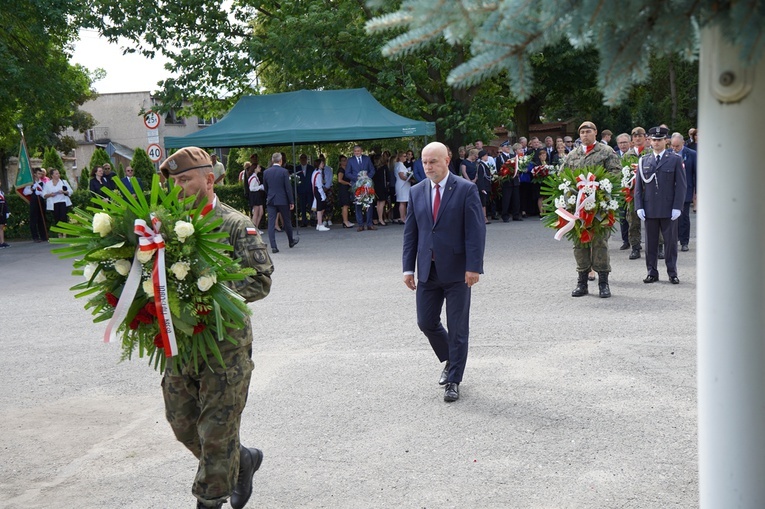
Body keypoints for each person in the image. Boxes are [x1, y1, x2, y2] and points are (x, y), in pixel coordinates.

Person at [158, 146, 274, 509]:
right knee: (182, 423)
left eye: (185, 179)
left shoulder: (236, 224)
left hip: (225, 346)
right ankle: (243, 460)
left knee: (215, 433)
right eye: (173, 182)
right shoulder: (165, 226)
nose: (177, 188)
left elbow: (261, 280)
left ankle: (210, 500)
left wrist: (209, 296)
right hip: (181, 344)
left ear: (209, 180)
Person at [402, 142, 486, 403]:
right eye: (425, 162)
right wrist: (408, 268)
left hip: (459, 272)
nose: (428, 167)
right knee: (426, 322)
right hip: (428, 269)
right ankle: (451, 358)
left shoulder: (465, 189)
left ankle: (453, 380)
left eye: (433, 162)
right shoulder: (416, 191)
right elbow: (411, 233)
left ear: (447, 160)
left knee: (458, 327)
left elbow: (476, 231)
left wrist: (474, 266)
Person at [563, 121, 622, 298]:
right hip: (578, 208)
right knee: (579, 244)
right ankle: (582, 282)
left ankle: (603, 282)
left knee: (600, 244)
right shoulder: (573, 155)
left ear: (595, 133)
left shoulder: (606, 152)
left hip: (599, 207)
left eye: (588, 131)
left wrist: (596, 186)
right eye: (582, 132)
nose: (584, 135)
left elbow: (616, 172)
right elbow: (562, 176)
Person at [635, 127, 686, 284]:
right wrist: (639, 206)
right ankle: (652, 272)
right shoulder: (644, 160)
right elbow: (638, 186)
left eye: (659, 140)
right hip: (650, 208)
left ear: (666, 141)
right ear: (650, 141)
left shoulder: (675, 159)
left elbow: (681, 186)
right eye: (654, 140)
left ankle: (672, 272)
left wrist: (677, 207)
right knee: (650, 243)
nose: (656, 142)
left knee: (670, 243)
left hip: (668, 208)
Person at [262, 153, 299, 253]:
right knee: (287, 221)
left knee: (271, 223)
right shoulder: (284, 171)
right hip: (283, 199)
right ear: (281, 160)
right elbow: (288, 188)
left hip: (271, 199)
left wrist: (270, 194)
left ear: (272, 160)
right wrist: (291, 201)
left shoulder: (266, 172)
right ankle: (291, 241)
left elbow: (265, 187)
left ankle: (273, 246)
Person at [670, 132, 697, 251]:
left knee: (684, 216)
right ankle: (673, 239)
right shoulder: (667, 154)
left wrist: (696, 192)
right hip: (670, 190)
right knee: (671, 217)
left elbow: (696, 173)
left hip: (686, 189)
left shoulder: (691, 154)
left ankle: (684, 241)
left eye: (677, 146)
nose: (675, 149)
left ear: (683, 143)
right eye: (673, 146)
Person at [627, 127, 649, 260]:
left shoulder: (651, 153)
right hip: (633, 194)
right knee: (633, 222)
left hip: (650, 193)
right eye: (634, 136)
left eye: (640, 135)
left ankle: (658, 247)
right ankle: (635, 247)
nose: (637, 138)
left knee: (653, 221)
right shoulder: (627, 156)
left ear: (645, 137)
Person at [344, 144, 377, 231]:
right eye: (355, 151)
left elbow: (372, 170)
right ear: (353, 152)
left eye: (358, 151)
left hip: (367, 184)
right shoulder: (350, 160)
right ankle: (360, 225)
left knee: (369, 204)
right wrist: (357, 178)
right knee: (358, 205)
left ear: (361, 151)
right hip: (356, 184)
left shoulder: (367, 159)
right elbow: (347, 173)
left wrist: (367, 177)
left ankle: (369, 224)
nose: (357, 153)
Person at [42, 169, 73, 234]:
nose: (58, 175)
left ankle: (64, 233)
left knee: (63, 218)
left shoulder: (63, 182)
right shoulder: (48, 184)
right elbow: (43, 194)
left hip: (63, 202)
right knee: (57, 219)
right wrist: (50, 194)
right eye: (56, 174)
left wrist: (64, 191)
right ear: (52, 175)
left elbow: (71, 191)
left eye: (58, 173)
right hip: (54, 203)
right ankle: (59, 233)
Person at [23, 168, 48, 242]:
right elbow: (25, 192)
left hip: (41, 201)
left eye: (41, 174)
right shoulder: (31, 183)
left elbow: (45, 192)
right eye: (38, 173)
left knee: (42, 218)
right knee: (34, 219)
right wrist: (32, 189)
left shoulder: (42, 183)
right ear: (34, 174)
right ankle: (35, 237)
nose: (40, 175)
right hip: (34, 202)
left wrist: (41, 193)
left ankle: (43, 236)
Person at [335, 155, 355, 228]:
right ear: (340, 162)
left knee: (347, 205)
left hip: (347, 189)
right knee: (345, 205)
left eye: (346, 160)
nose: (345, 162)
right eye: (343, 160)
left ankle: (346, 220)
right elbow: (340, 180)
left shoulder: (347, 169)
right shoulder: (341, 170)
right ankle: (345, 221)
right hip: (343, 189)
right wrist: (348, 183)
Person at [311, 159, 330, 231]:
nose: (323, 164)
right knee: (319, 207)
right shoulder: (318, 173)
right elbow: (319, 184)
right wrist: (322, 194)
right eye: (322, 163)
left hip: (317, 190)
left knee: (321, 206)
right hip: (318, 190)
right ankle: (320, 223)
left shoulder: (316, 172)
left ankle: (319, 224)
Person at [394, 151, 412, 224]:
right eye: (404, 156)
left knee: (404, 202)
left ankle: (404, 216)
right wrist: (409, 178)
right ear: (400, 157)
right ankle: (402, 217)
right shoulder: (400, 165)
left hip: (404, 184)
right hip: (402, 184)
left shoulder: (400, 164)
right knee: (402, 202)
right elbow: (401, 176)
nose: (406, 157)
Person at [247, 161, 265, 234]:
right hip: (254, 195)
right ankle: (253, 229)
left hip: (257, 195)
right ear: (255, 169)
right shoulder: (253, 177)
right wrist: (260, 187)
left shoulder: (255, 176)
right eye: (258, 167)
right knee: (256, 212)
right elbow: (251, 188)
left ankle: (256, 228)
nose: (260, 168)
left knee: (261, 212)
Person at [476, 150, 493, 224]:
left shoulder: (485, 164)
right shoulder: (481, 165)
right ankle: (484, 217)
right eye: (486, 155)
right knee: (483, 202)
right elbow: (481, 177)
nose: (487, 157)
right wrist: (482, 188)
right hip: (484, 186)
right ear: (482, 157)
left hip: (487, 185)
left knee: (485, 201)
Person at [372, 154, 389, 226]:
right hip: (383, 186)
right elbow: (387, 178)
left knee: (378, 203)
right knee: (382, 203)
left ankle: (379, 218)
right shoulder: (384, 167)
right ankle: (381, 219)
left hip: (376, 187)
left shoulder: (374, 168)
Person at [320, 154, 334, 227]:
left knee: (330, 204)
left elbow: (330, 178)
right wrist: (322, 188)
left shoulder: (328, 169)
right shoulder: (318, 170)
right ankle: (324, 219)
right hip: (321, 189)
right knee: (323, 204)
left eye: (323, 160)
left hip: (328, 188)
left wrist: (326, 187)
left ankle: (329, 219)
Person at [0, 180, 9, 248]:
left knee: (1, 226)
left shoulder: (1, 192)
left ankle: (2, 242)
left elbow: (5, 202)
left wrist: (7, 211)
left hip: (2, 211)